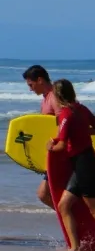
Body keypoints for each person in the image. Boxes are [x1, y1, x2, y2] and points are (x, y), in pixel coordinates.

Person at [45, 79, 95, 251]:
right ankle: (75, 248)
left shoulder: (65, 114)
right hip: (84, 163)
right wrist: (84, 132)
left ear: (58, 96)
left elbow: (61, 145)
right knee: (64, 205)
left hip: (84, 165)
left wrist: (50, 147)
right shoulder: (82, 109)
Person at [22, 65, 61, 209]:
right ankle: (71, 221)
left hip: (60, 153)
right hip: (52, 153)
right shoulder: (45, 98)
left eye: (31, 85)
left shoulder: (55, 97)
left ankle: (73, 220)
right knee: (48, 194)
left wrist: (58, 146)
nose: (30, 89)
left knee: (44, 194)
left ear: (40, 80)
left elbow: (64, 122)